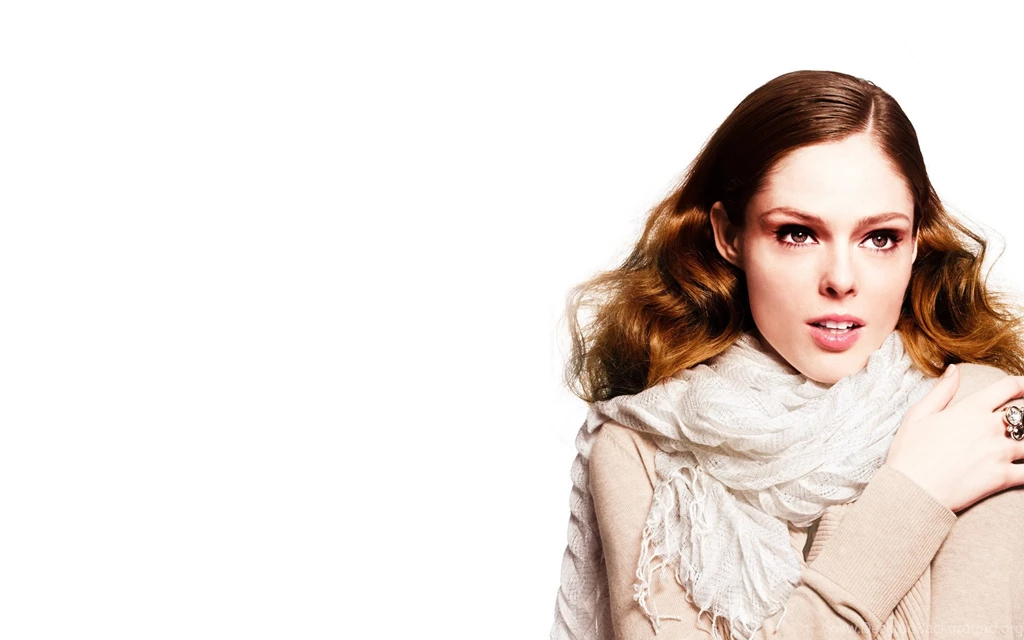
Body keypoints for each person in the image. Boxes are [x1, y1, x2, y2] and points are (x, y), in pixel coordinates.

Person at [549, 70, 1024, 640]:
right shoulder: (642, 447)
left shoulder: (980, 417)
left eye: (880, 238)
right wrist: (908, 501)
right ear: (730, 235)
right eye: (798, 233)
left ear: (916, 242)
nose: (841, 279)